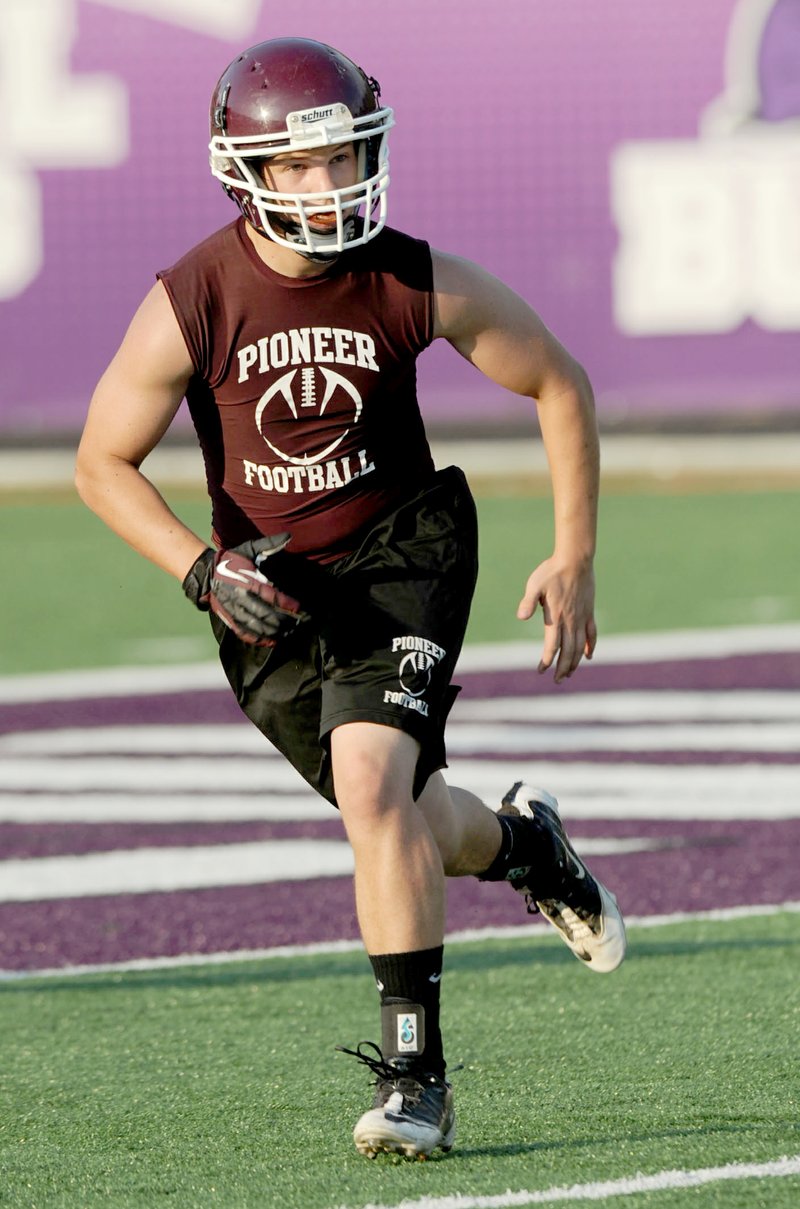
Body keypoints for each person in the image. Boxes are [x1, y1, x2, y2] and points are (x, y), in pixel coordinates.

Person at [75, 36, 626, 1161]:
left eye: (345, 158)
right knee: (409, 821)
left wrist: (572, 552)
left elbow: (555, 379)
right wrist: (198, 567)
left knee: (374, 789)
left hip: (402, 550)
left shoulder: (409, 275)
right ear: (249, 172)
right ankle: (521, 844)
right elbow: (100, 461)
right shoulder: (192, 297)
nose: (331, 185)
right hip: (267, 587)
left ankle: (415, 1077)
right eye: (303, 165)